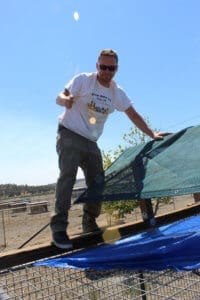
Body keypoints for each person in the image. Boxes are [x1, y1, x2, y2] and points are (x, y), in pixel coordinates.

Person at [50, 49, 167, 249]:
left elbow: (133, 114)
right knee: (67, 176)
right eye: (103, 67)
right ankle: (59, 229)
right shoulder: (84, 80)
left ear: (116, 69)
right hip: (69, 132)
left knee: (98, 181)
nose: (106, 71)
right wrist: (65, 100)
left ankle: (89, 222)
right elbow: (61, 96)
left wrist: (152, 134)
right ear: (97, 66)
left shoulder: (116, 92)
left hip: (91, 141)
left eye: (110, 68)